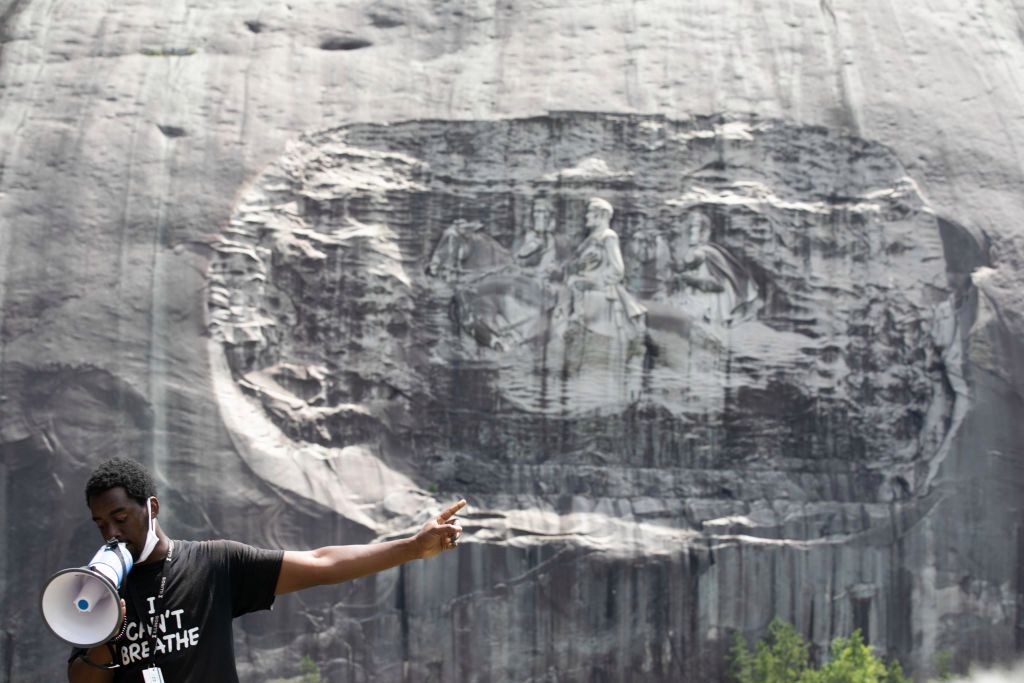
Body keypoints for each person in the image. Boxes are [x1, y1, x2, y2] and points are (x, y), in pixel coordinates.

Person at [67, 457, 464, 682]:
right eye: (101, 523)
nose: (112, 532)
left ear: (151, 508)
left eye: (120, 517)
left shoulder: (213, 563)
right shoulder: (100, 587)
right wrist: (106, 630)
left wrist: (411, 548)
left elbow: (320, 563)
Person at [563, 198, 646, 338]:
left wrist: (592, 281)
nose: (586, 216)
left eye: (590, 212)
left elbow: (617, 269)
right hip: (583, 287)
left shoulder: (608, 237)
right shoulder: (589, 240)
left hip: (601, 288)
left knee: (574, 283)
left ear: (601, 215)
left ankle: (579, 317)